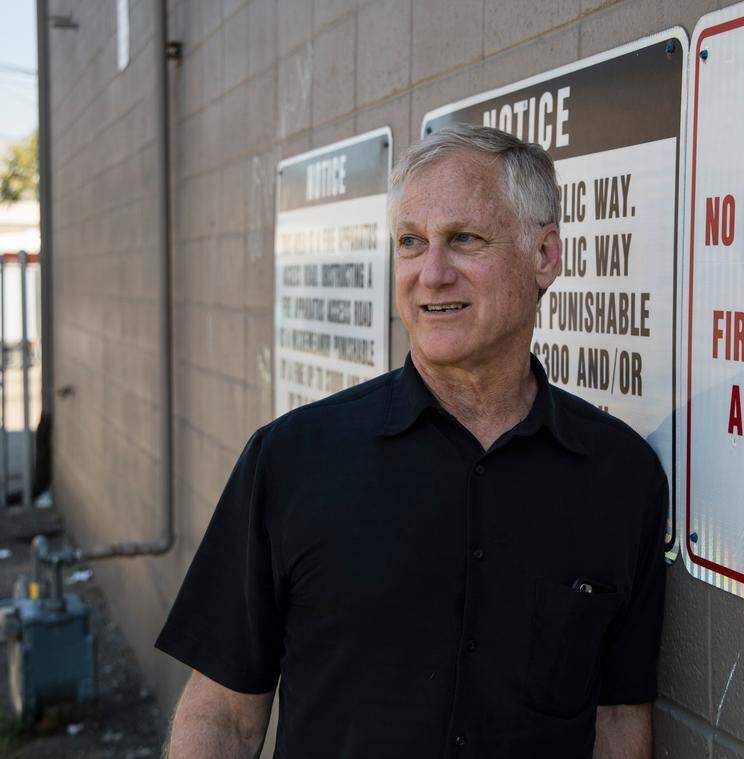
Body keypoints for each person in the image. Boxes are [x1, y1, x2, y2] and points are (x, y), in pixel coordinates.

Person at [156, 124, 668, 758]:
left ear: (544, 256)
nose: (431, 273)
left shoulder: (620, 478)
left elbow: (617, 722)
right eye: (410, 243)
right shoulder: (291, 461)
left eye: (463, 240)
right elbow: (224, 716)